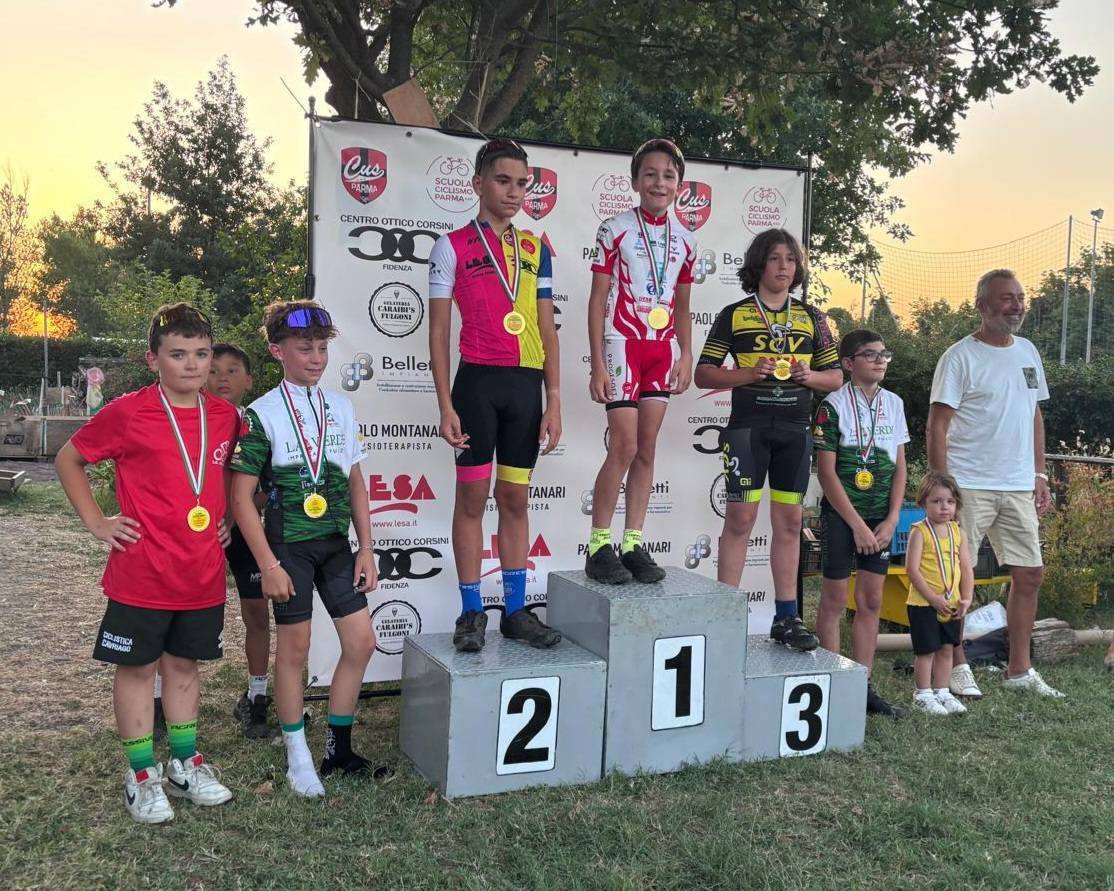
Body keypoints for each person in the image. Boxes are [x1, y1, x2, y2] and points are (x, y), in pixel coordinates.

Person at [55, 302, 238, 824]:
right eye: (178, 354)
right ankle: (140, 773)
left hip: (201, 572)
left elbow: (227, 473)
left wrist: (225, 514)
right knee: (137, 669)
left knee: (183, 666)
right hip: (143, 572)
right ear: (153, 359)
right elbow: (69, 458)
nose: (193, 364)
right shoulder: (129, 412)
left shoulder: (226, 416)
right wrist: (98, 523)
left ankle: (184, 764)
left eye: (201, 353)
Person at [230, 300, 382, 798]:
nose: (316, 358)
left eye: (321, 348)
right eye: (304, 349)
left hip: (336, 545)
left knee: (361, 643)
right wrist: (268, 564)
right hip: (288, 548)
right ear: (278, 351)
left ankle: (338, 751)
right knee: (294, 650)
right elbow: (240, 499)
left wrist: (366, 548)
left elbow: (356, 482)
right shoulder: (261, 414)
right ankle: (298, 759)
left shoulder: (341, 407)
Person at [428, 137, 563, 653]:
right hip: (476, 385)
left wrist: (555, 398)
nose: (513, 192)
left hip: (525, 386)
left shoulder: (536, 248)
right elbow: (439, 331)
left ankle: (514, 610)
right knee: (471, 498)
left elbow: (547, 329)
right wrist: (445, 404)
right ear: (478, 183)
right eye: (503, 181)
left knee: (515, 498)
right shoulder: (452, 245)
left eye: (521, 184)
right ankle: (470, 610)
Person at [694, 228, 842, 651]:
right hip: (748, 429)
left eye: (791, 260)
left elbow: (835, 377)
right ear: (759, 264)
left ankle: (786, 616)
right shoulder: (735, 314)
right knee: (740, 519)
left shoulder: (812, 318)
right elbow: (703, 373)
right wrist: (748, 373)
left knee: (791, 522)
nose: (784, 267)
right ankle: (725, 617)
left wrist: (807, 376)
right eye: (775, 258)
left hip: (795, 430)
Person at [928, 268, 1063, 698]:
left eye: (1020, 297)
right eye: (1007, 298)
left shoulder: (1028, 351)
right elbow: (937, 423)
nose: (1016, 305)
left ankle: (1020, 670)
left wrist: (1039, 474)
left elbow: (1034, 414)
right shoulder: (959, 357)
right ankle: (957, 664)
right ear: (982, 306)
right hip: (968, 483)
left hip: (1018, 484)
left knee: (1030, 574)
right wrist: (941, 485)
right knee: (956, 576)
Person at [584, 138, 697, 584]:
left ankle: (632, 542)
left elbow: (683, 305)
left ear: (679, 185)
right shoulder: (613, 229)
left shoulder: (687, 241)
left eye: (668, 176)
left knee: (647, 449)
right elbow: (597, 299)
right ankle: (599, 544)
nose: (659, 182)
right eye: (650, 174)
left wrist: (686, 353)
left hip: (661, 349)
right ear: (635, 181)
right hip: (622, 343)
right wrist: (597, 362)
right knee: (624, 446)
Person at [814, 329, 907, 717]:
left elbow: (900, 467)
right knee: (835, 600)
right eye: (870, 354)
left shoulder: (894, 403)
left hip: (880, 518)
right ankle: (831, 683)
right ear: (849, 363)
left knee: (871, 600)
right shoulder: (831, 405)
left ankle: (863, 687)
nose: (880, 360)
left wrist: (892, 519)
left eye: (884, 354)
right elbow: (826, 473)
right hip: (842, 516)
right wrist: (855, 525)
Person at [206, 342, 274, 739]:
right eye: (213, 370)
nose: (222, 378)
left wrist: (238, 513)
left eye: (232, 370)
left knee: (258, 615)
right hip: (200, 531)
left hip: (244, 533)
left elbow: (267, 489)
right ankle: (161, 700)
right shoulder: (189, 419)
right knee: (175, 614)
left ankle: (257, 697)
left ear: (248, 380)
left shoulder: (257, 422)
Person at [905, 472, 974, 716]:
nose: (944, 507)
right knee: (926, 650)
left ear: (957, 504)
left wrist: (966, 598)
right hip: (924, 603)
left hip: (951, 603)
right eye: (936, 501)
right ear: (923, 503)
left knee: (946, 648)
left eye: (950, 501)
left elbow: (966, 568)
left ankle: (942, 691)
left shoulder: (958, 533)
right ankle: (923, 694)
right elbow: (911, 570)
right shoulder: (919, 532)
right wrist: (933, 599)